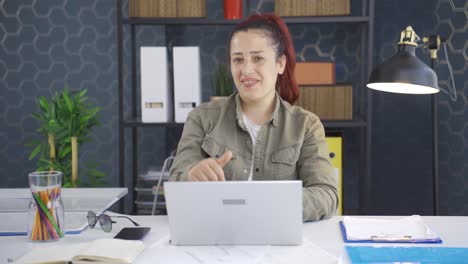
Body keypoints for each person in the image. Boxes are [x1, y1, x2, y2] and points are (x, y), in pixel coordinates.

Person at [169, 13, 338, 222]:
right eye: (238, 59)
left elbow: (326, 194)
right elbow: (176, 180)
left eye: (258, 58)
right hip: (215, 239)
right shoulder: (201, 118)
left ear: (280, 64)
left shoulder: (306, 125)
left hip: (279, 241)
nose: (246, 70)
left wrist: (267, 206)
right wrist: (190, 175)